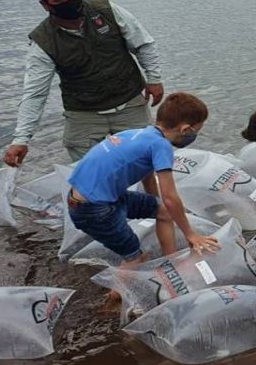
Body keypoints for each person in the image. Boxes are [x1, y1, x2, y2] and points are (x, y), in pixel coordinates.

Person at [4, 0, 166, 166]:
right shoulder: (43, 41)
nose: (70, 1)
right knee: (88, 171)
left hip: (129, 102)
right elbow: (35, 93)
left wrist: (154, 79)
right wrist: (21, 139)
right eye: (60, 0)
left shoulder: (107, 10)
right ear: (45, 5)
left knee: (144, 162)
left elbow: (143, 44)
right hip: (83, 114)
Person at [67, 93, 219, 266]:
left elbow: (148, 179)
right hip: (94, 210)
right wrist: (191, 235)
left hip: (89, 199)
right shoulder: (161, 146)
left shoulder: (140, 134)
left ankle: (173, 262)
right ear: (185, 129)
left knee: (164, 211)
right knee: (136, 258)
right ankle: (121, 283)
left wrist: (156, 206)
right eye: (196, 131)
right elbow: (170, 197)